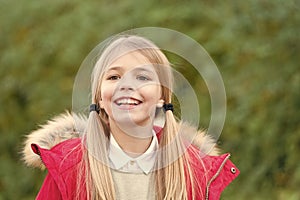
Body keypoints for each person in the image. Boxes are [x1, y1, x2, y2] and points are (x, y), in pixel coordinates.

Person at [23, 35, 239, 200]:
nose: (126, 85)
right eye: (114, 76)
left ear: (161, 98)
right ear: (99, 98)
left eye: (142, 77)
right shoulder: (69, 167)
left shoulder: (195, 172)